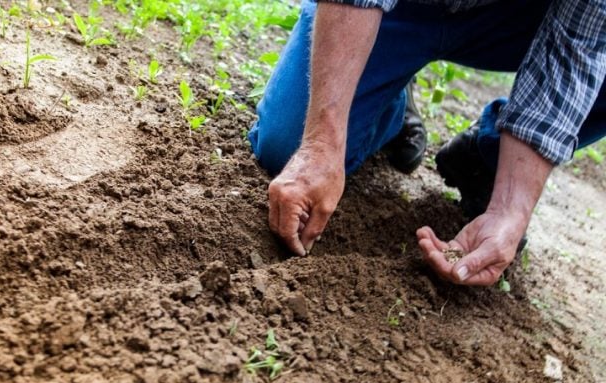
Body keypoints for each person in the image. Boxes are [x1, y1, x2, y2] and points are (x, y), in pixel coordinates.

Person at [247, 0, 606, 286]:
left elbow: (578, 48)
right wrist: (321, 145)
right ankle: (389, 102)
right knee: (287, 145)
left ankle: (488, 159)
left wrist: (510, 209)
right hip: (401, 8)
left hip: (515, 17)